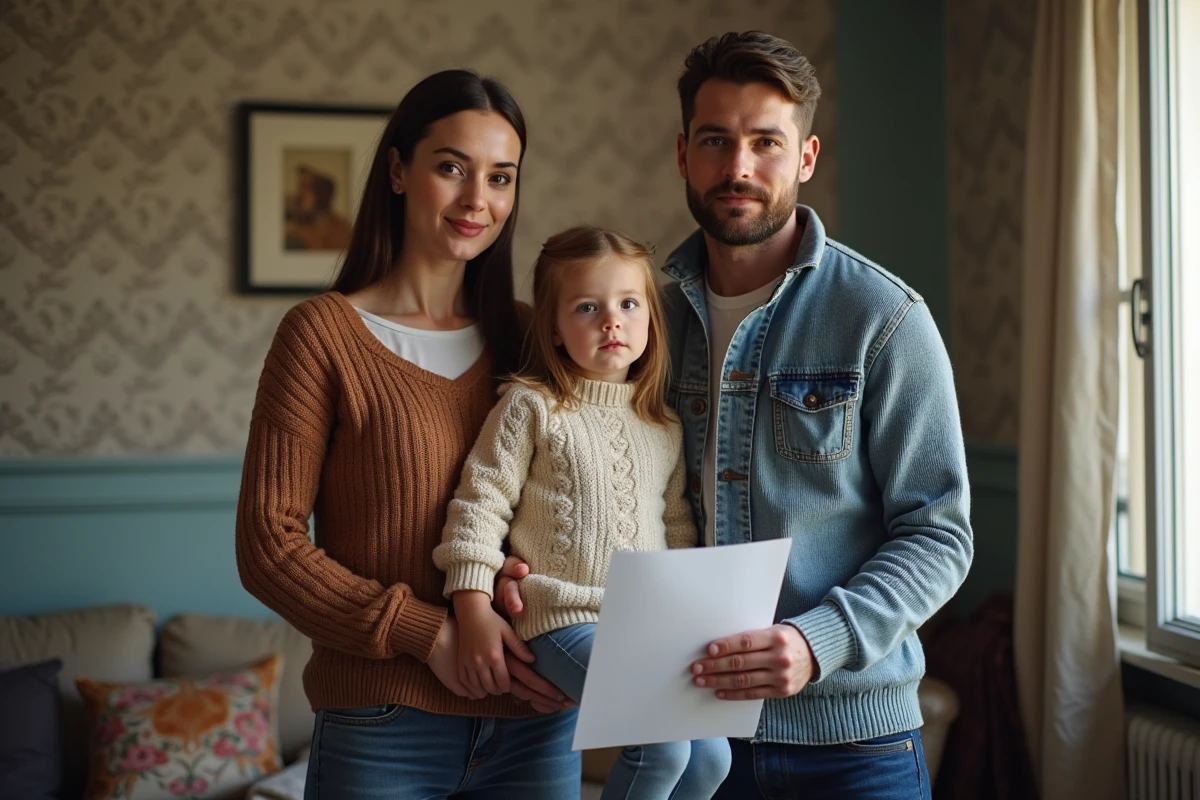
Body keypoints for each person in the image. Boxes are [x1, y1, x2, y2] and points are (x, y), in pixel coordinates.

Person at [497, 31, 973, 800]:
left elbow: (940, 534)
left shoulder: (884, 318)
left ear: (807, 158)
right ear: (683, 154)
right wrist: (521, 571)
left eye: (765, 143)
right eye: (717, 141)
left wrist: (816, 644)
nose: (739, 168)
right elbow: (581, 472)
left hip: (854, 746)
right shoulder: (638, 318)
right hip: (694, 736)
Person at [235, 69, 580, 800]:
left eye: (500, 177)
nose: (477, 201)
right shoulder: (321, 336)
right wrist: (429, 633)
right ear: (397, 169)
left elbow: (582, 498)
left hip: (534, 720)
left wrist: (523, 584)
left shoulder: (529, 336)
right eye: (452, 168)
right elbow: (270, 544)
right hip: (384, 724)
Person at [433, 226, 733, 800]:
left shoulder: (662, 425)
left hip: (644, 625)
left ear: (650, 318)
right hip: (560, 617)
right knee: (662, 744)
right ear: (554, 327)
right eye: (587, 307)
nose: (611, 322)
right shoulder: (531, 405)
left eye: (627, 304)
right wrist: (470, 601)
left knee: (711, 757)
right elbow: (480, 504)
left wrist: (692, 611)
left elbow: (676, 529)